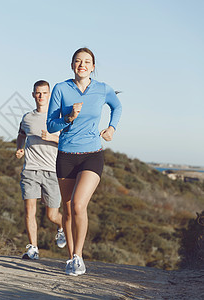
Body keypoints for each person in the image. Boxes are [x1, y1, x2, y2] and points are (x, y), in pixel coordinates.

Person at [46, 48, 122, 276]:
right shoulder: (61, 89)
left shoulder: (102, 89)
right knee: (67, 212)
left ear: (93, 66)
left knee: (79, 205)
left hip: (92, 154)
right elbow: (51, 125)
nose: (83, 64)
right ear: (72, 65)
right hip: (66, 156)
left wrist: (111, 128)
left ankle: (79, 256)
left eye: (87, 61)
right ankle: (71, 258)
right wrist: (68, 118)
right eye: (78, 61)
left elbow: (117, 106)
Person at [16, 80, 66, 260]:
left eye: (44, 93)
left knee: (52, 215)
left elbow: (68, 144)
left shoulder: (58, 118)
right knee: (30, 210)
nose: (41, 96)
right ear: (33, 95)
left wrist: (52, 137)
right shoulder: (27, 118)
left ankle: (61, 228)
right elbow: (21, 134)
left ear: (50, 94)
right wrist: (20, 147)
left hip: (52, 171)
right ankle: (33, 248)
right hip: (30, 169)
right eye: (38, 93)